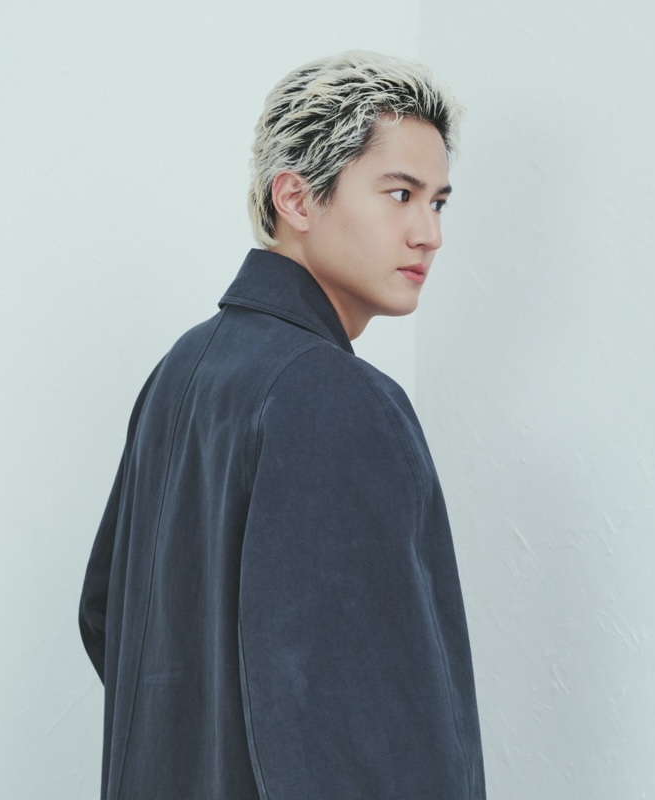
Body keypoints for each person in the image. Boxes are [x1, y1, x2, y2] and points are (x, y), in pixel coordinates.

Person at [78, 51, 486, 799]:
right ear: (296, 198)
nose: (428, 232)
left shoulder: (182, 370)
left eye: (438, 202)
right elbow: (366, 726)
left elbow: (106, 615)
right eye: (400, 194)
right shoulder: (340, 397)